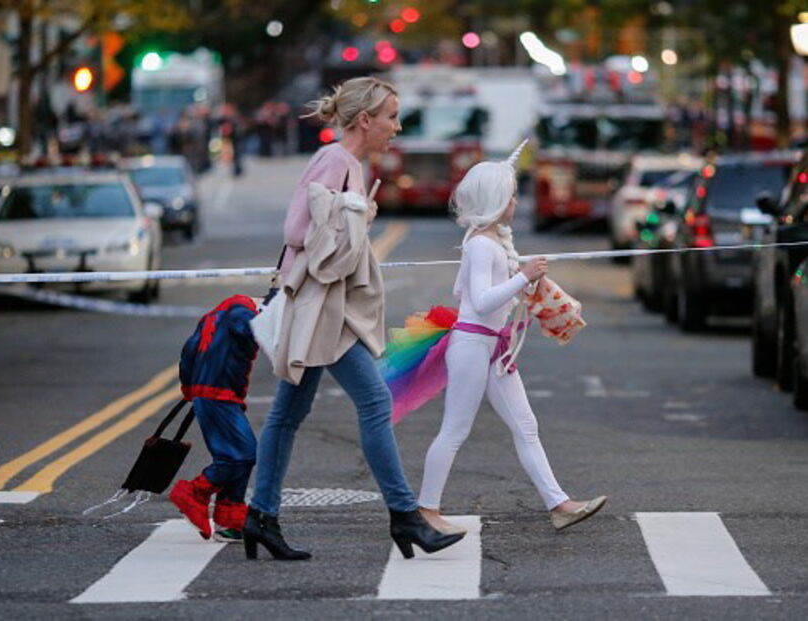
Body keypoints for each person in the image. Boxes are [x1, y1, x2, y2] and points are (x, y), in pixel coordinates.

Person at [243, 77, 464, 561]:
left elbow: (330, 232)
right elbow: (298, 230)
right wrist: (354, 215)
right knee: (374, 402)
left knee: (288, 413)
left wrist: (354, 216)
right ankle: (405, 516)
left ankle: (261, 516)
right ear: (366, 119)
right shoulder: (336, 160)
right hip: (323, 309)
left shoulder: (349, 166)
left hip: (326, 306)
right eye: (391, 117)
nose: (397, 127)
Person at [414, 144, 607, 535]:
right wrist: (524, 277)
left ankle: (559, 503)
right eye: (512, 194)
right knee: (455, 429)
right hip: (473, 345)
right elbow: (481, 301)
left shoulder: (483, 242)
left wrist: (521, 284)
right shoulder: (482, 244)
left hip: (491, 346)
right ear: (496, 200)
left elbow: (462, 291)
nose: (517, 200)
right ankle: (425, 511)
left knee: (526, 425)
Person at [170, 295, 260, 543]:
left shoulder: (211, 316)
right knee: (242, 454)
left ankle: (230, 519)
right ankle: (195, 492)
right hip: (220, 393)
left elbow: (188, 351)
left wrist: (189, 388)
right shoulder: (242, 313)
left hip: (207, 392)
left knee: (237, 455)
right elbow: (252, 330)